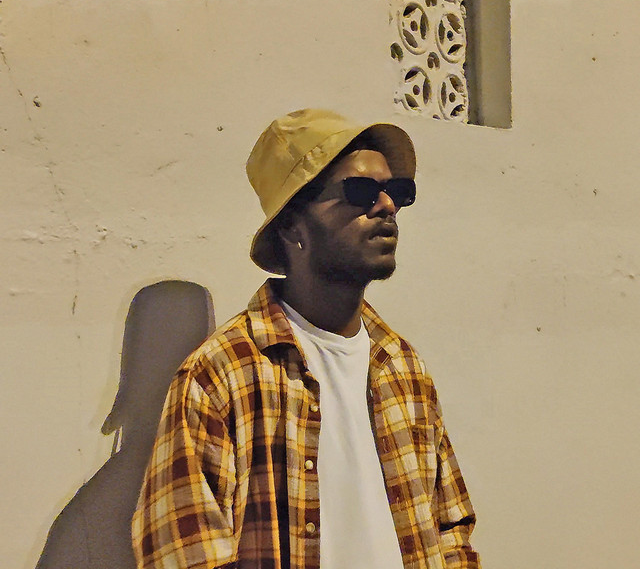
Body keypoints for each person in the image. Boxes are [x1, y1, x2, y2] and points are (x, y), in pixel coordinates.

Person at [132, 108, 481, 569]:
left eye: (397, 192)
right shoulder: (221, 375)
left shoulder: (403, 367)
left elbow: (451, 529)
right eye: (360, 191)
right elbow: (184, 555)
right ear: (292, 226)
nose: (387, 206)